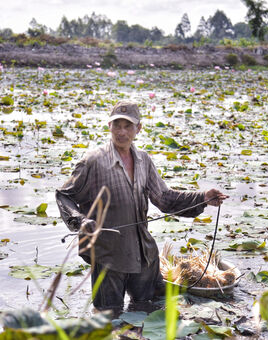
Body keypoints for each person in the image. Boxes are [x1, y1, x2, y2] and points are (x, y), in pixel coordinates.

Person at [56, 101, 227, 312]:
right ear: (109, 126)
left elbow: (164, 198)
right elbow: (64, 196)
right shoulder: (93, 161)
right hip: (108, 257)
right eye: (116, 125)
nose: (121, 132)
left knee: (147, 310)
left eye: (128, 126)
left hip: (143, 254)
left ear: (138, 128)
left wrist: (202, 198)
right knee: (108, 316)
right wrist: (81, 221)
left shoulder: (144, 160)